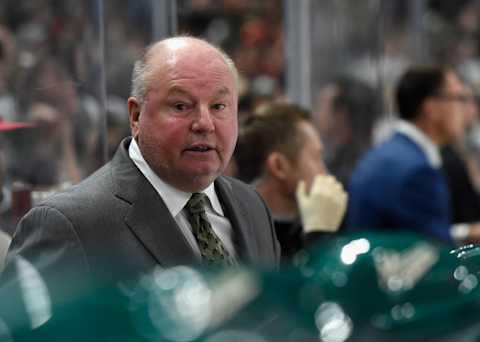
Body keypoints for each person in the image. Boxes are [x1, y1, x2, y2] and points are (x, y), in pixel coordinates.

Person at [1, 36, 280, 295]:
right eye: (181, 106)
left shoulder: (251, 205)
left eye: (219, 106)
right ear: (136, 116)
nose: (204, 123)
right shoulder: (68, 226)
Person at [347, 65, 480, 245]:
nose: (464, 109)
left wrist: (464, 233)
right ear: (431, 108)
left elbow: (415, 232)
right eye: (459, 98)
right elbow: (435, 254)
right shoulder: (418, 173)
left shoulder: (389, 155)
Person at [235, 102, 347, 260]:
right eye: (316, 157)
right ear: (279, 166)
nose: (325, 172)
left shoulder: (321, 214)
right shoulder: (241, 232)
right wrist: (320, 234)